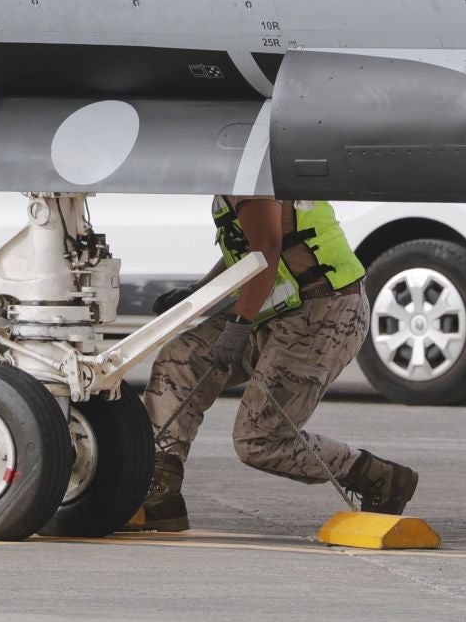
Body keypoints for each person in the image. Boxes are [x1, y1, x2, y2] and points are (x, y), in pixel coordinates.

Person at [127, 195, 419, 533]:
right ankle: (160, 494)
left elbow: (267, 245)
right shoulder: (229, 169)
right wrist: (201, 291)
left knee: (259, 441)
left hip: (323, 310)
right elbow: (248, 250)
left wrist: (238, 324)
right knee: (182, 357)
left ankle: (379, 477)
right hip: (274, 306)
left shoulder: (249, 167)